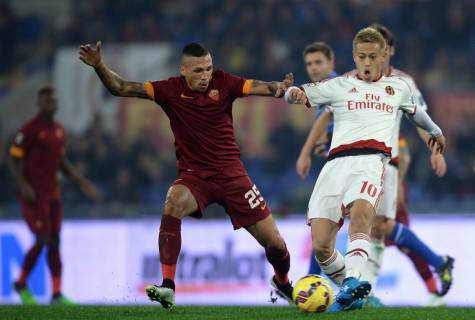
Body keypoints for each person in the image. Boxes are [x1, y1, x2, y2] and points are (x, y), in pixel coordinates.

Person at [79, 41, 294, 309]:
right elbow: (121, 88)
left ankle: (282, 282)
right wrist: (99, 65)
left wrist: (279, 88)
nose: (205, 76)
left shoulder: (224, 82)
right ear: (183, 70)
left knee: (275, 244)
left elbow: (260, 87)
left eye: (208, 69)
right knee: (173, 200)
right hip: (196, 177)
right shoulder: (168, 90)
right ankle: (168, 286)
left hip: (232, 175)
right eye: (198, 71)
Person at [285, 27, 446, 312]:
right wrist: (291, 93)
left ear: (384, 55)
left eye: (373, 56)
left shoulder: (399, 87)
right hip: (335, 165)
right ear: (354, 57)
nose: (368, 63)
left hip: (372, 162)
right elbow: (303, 94)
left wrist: (435, 132)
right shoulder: (340, 85)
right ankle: (352, 291)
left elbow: (417, 114)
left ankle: (354, 281)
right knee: (322, 246)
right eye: (362, 57)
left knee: (363, 218)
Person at [359, 24, 453, 306]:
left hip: (388, 164)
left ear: (390, 51)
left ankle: (371, 290)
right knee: (364, 227)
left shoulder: (403, 82)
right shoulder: (356, 79)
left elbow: (420, 119)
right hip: (356, 162)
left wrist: (434, 152)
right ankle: (434, 271)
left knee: (383, 228)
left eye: (382, 48)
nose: (375, 53)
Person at [9, 86, 100, 304]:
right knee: (42, 238)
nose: (51, 104)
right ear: (39, 104)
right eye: (47, 101)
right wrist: (24, 185)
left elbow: (61, 162)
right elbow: (13, 160)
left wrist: (81, 182)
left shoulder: (58, 131)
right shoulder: (29, 130)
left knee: (55, 240)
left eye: (54, 101)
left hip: (53, 194)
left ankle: (57, 293)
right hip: (34, 195)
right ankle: (20, 283)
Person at [294, 42, 338, 277]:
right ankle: (312, 280)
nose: (313, 68)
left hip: (348, 163)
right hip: (336, 162)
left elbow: (328, 119)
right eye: (309, 64)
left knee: (323, 221)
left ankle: (312, 280)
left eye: (318, 62)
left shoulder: (334, 85)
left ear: (331, 63)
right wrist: (322, 146)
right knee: (324, 223)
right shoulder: (319, 89)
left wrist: (306, 151)